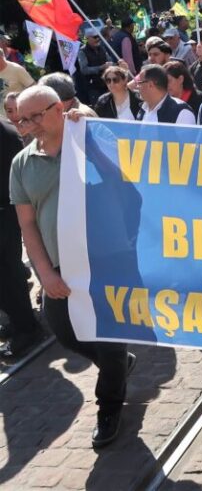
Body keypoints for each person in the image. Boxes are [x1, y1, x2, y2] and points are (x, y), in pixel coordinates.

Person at [11, 85, 134, 447]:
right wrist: (45, 273)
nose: (30, 125)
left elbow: (127, 177)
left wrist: (90, 138)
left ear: (59, 108)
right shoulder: (23, 163)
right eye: (23, 120)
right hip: (61, 264)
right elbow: (27, 224)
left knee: (108, 338)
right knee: (64, 330)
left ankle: (108, 406)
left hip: (109, 259)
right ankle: (116, 364)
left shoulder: (91, 138)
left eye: (36, 116)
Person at [0, 112, 43, 360]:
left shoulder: (5, 133)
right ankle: (18, 321)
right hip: (5, 211)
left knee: (9, 275)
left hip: (5, 212)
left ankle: (27, 328)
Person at [76, 28, 113, 104]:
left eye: (98, 36)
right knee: (98, 107)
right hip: (93, 87)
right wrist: (100, 68)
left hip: (106, 84)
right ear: (88, 38)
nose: (98, 39)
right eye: (95, 37)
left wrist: (111, 64)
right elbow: (84, 70)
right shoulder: (82, 51)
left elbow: (109, 59)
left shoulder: (102, 48)